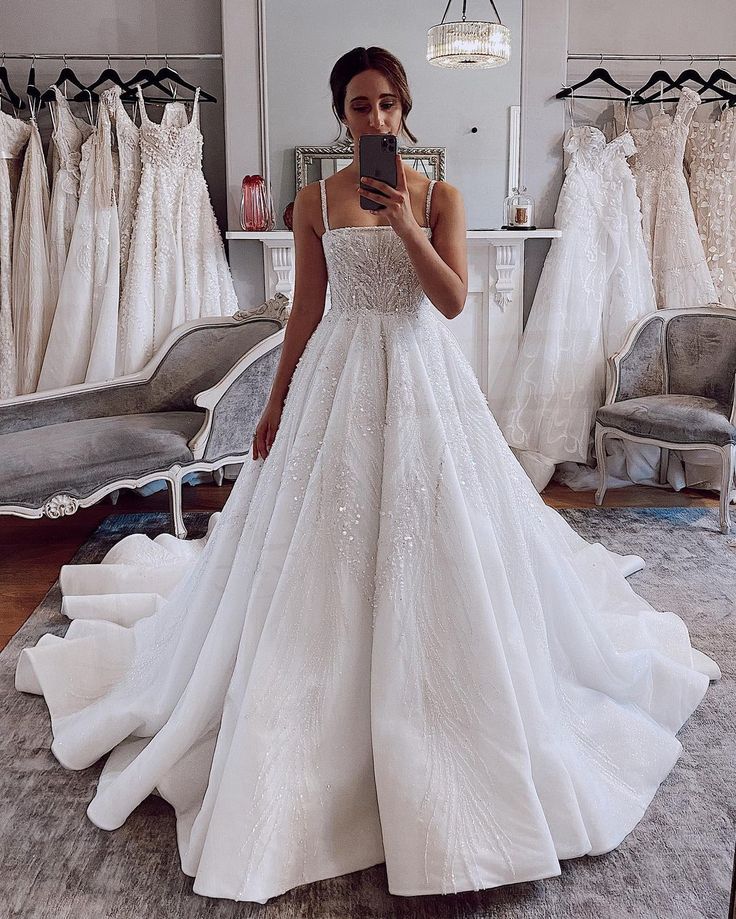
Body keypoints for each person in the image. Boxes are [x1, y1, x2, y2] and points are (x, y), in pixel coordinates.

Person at [14, 46, 720, 905]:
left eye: (387, 104)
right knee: (321, 545)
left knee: (441, 536)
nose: (375, 119)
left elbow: (453, 300)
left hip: (425, 381)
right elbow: (307, 309)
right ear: (340, 114)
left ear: (405, 107)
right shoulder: (313, 199)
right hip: (336, 383)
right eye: (358, 106)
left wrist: (405, 228)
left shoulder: (439, 196)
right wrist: (273, 404)